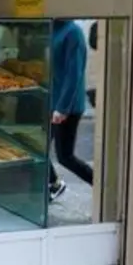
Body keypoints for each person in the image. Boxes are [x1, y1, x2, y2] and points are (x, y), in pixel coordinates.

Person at [49, 18, 94, 198]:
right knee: (39, 150)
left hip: (67, 106)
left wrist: (63, 108)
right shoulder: (50, 27)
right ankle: (54, 184)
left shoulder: (72, 32)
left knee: (65, 157)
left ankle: (103, 188)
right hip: (51, 101)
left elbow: (74, 73)